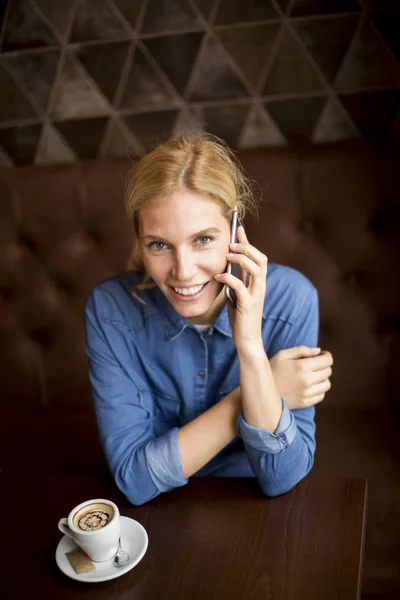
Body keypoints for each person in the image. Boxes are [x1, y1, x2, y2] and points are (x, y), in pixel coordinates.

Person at [85, 131, 333, 506]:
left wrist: (250, 347)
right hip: (159, 515)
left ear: (235, 231)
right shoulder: (110, 309)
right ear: (139, 239)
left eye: (203, 240)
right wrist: (258, 391)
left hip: (250, 507)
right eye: (159, 244)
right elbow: (134, 481)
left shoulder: (292, 300)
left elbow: (281, 478)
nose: (183, 271)